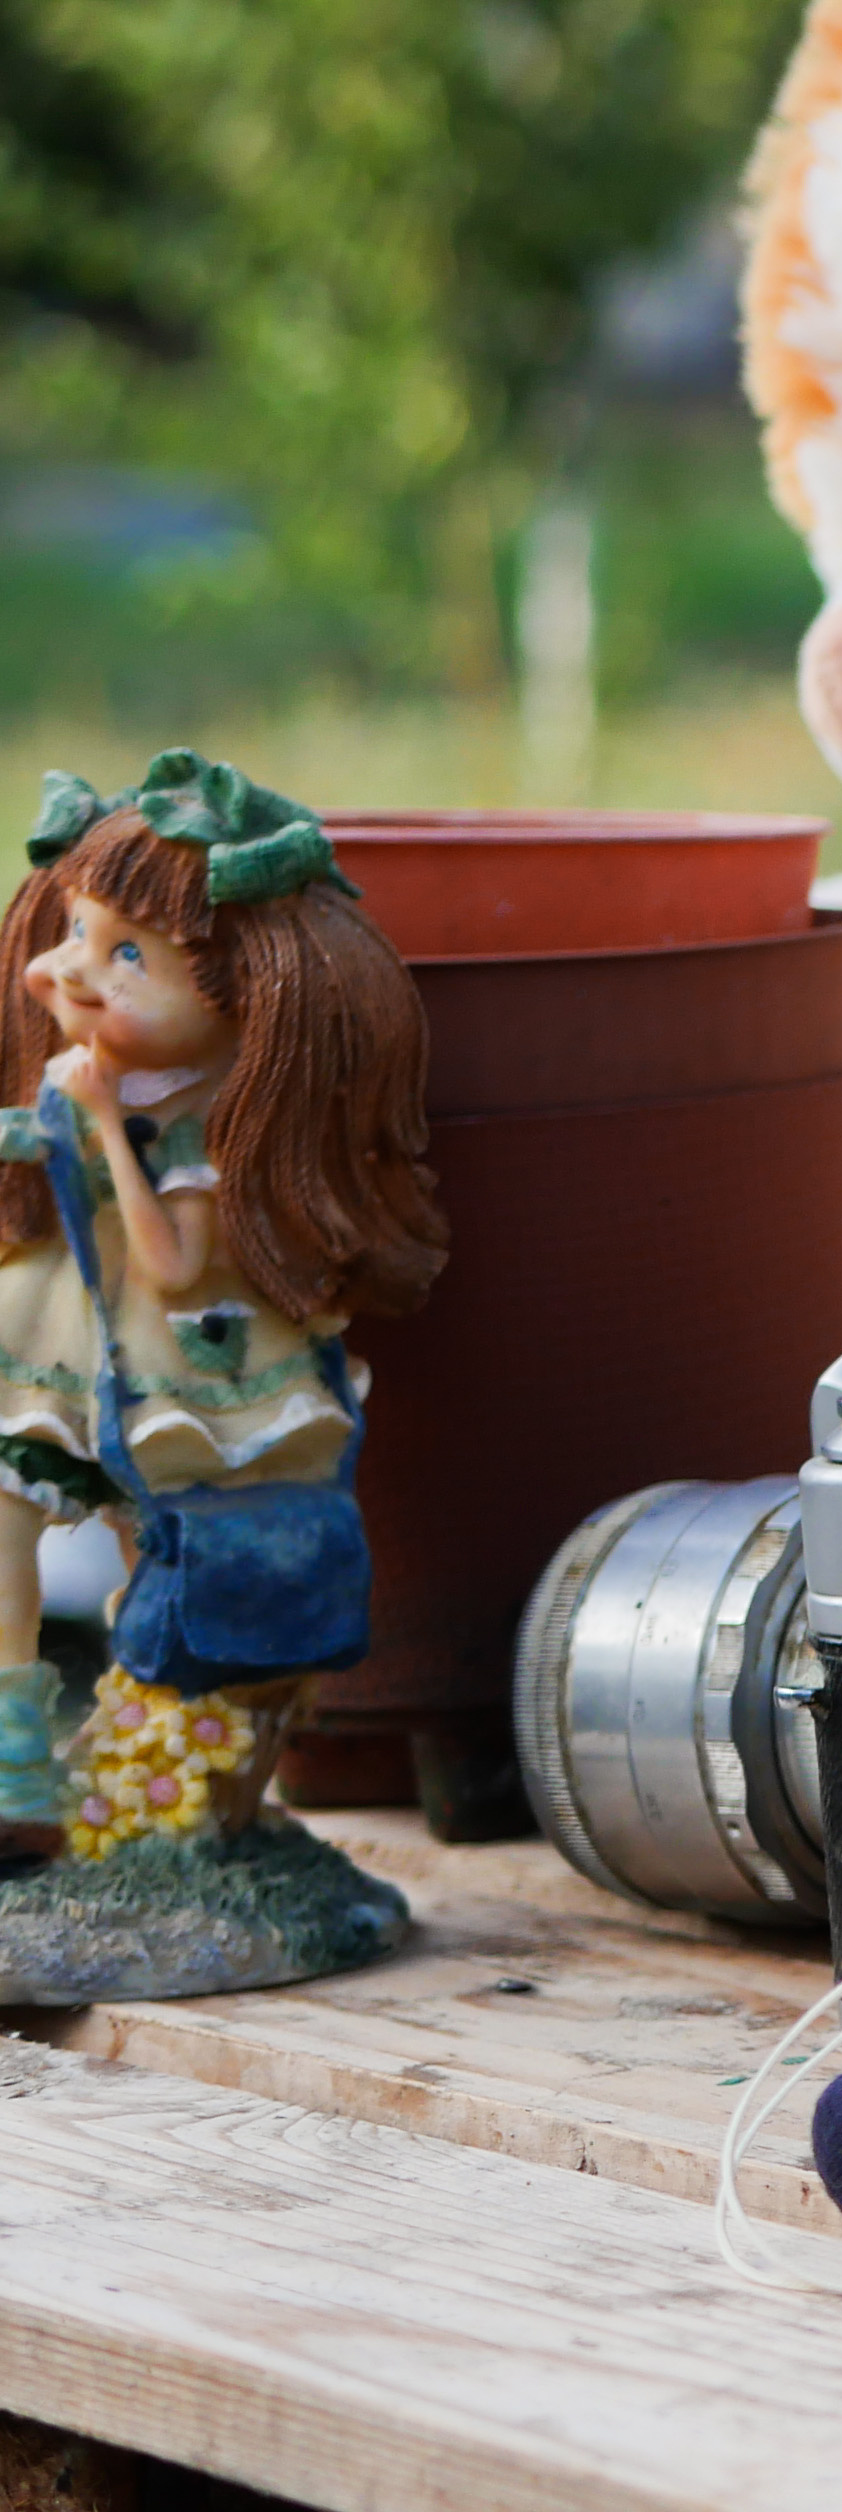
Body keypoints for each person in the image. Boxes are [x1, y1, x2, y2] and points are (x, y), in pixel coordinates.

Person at [0, 754, 442, 1856]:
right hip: (60, 1333)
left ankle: (155, 1766)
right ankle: (15, 1759)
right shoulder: (91, 1056)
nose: (81, 973)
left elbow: (173, 1264)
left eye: (129, 955)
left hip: (175, 1358)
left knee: (156, 1531)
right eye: (80, 934)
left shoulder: (207, 1131)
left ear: (244, 998)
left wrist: (103, 1125)